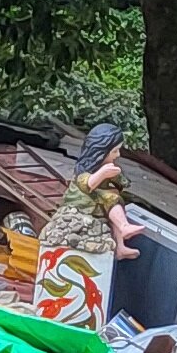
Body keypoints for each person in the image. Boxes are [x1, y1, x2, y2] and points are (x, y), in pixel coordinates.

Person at [32, 118, 141, 333]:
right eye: (115, 151)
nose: (118, 156)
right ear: (102, 151)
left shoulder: (109, 176)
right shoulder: (84, 172)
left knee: (115, 203)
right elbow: (89, 184)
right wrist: (104, 174)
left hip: (99, 216)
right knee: (112, 201)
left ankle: (121, 244)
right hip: (81, 213)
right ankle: (124, 230)